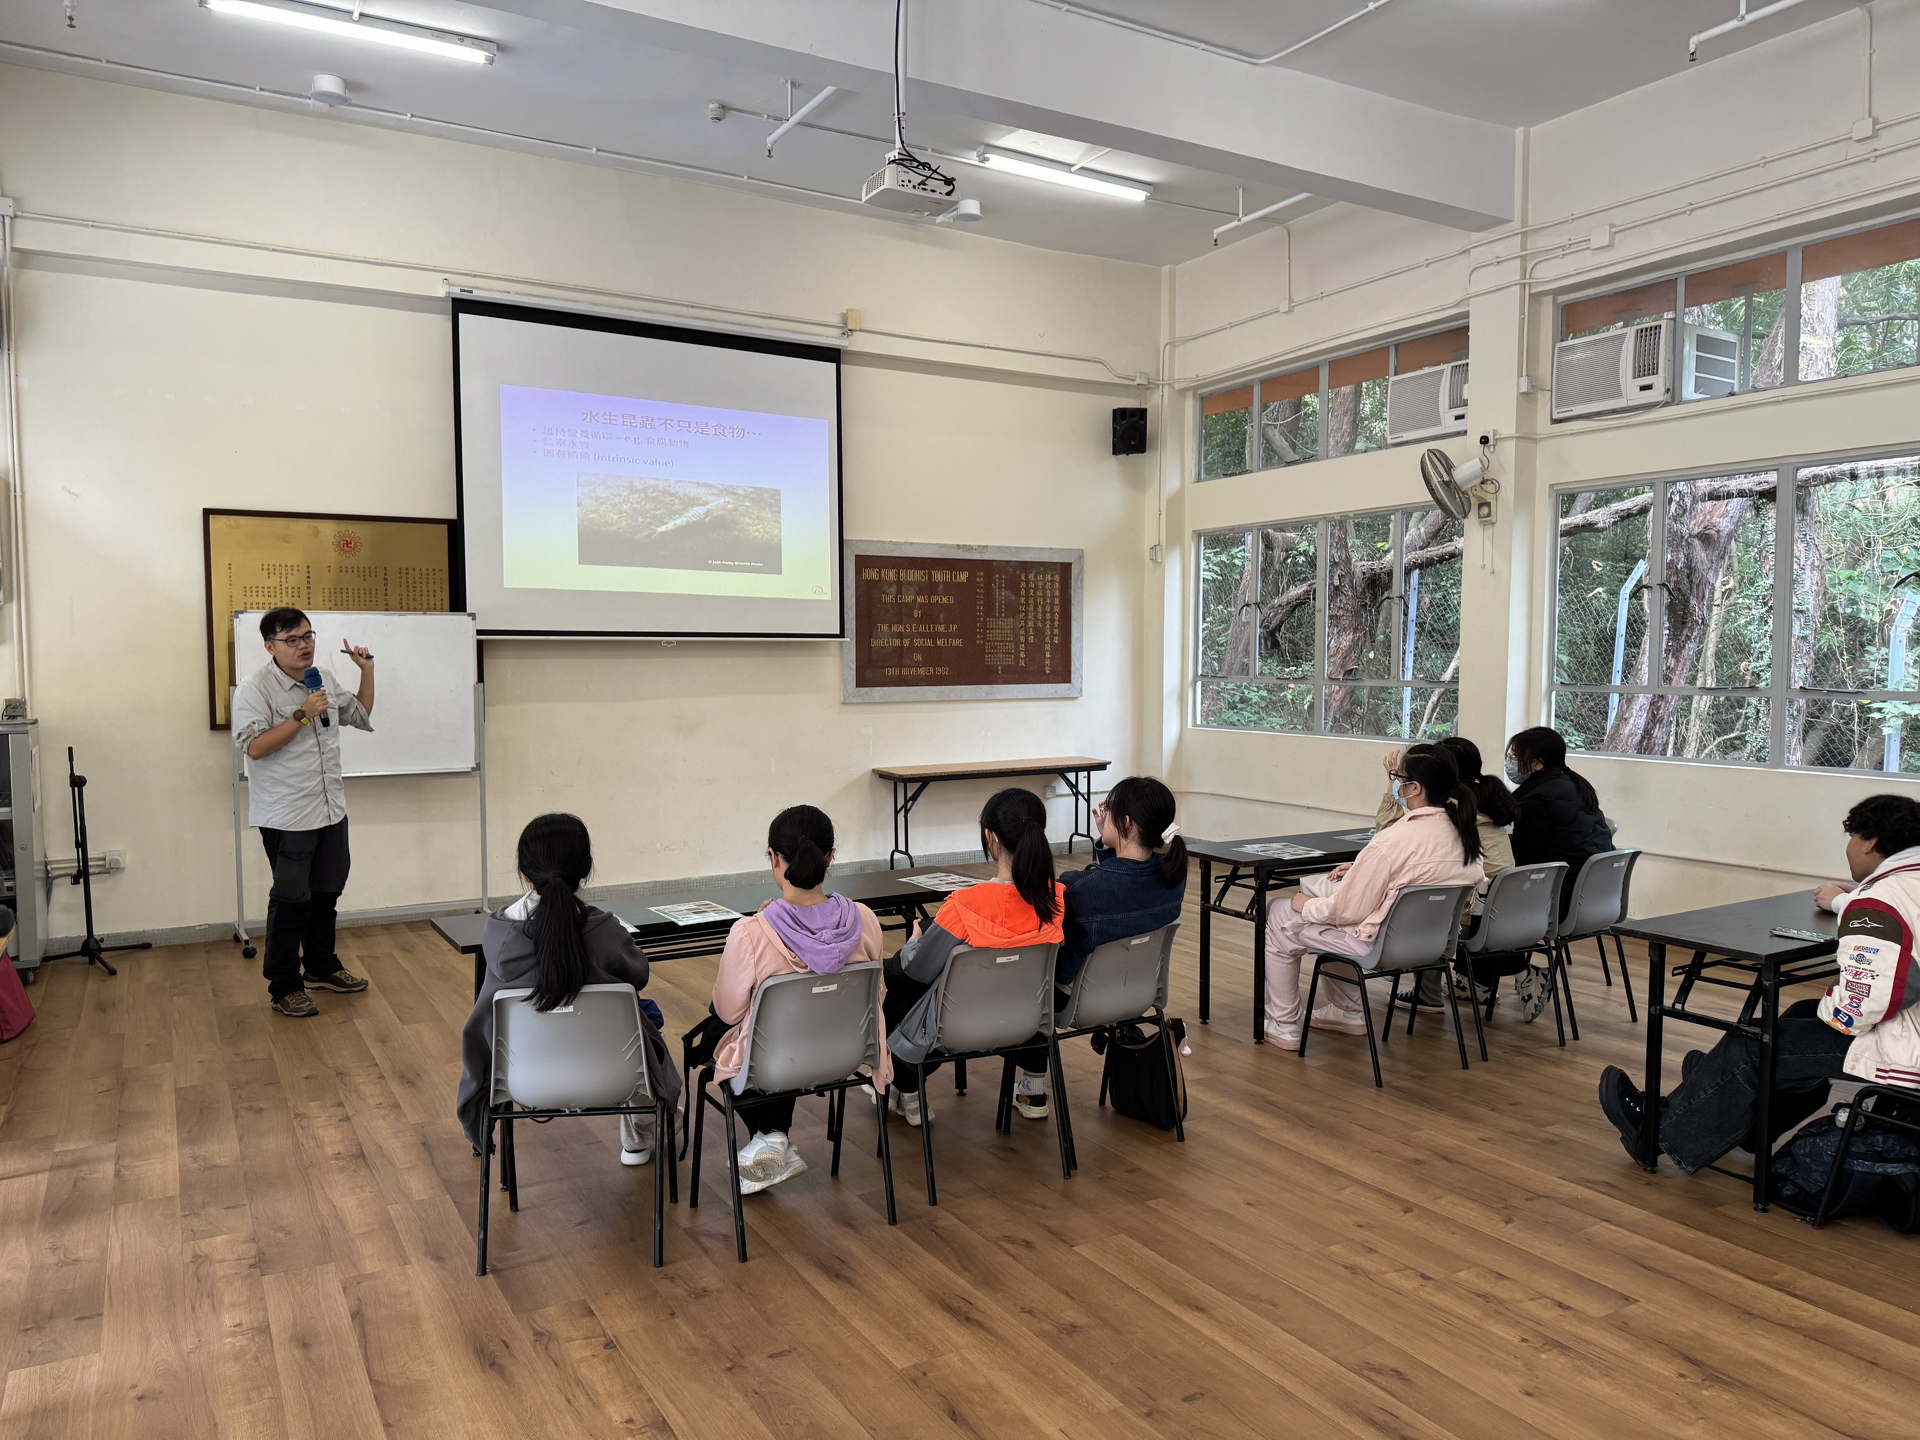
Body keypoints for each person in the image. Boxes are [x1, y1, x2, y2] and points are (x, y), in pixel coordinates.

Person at [1598, 794, 1920, 1174]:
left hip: (1906, 1052)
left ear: (1869, 842)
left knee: (1750, 1044)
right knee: (1799, 1016)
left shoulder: (1879, 899)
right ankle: (1748, 1121)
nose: (1849, 848)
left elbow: (1875, 999)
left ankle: (1657, 1135)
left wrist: (1833, 1006)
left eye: (1852, 838)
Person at [455, 813, 680, 1166]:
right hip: (613, 1075)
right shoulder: (605, 930)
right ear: (586, 870)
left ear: (525, 875)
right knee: (640, 1024)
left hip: (524, 1080)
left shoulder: (497, 936)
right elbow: (637, 974)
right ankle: (640, 1139)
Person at [709, 805, 886, 1194]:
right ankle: (772, 1140)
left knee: (719, 1032)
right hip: (845, 1054)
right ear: (831, 857)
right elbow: (879, 995)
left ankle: (770, 1138)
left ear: (773, 857)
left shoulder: (751, 933)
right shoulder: (866, 920)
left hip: (775, 1064)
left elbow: (728, 1010)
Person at [1262, 749, 1484, 1047]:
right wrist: (1361, 868)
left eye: (1397, 778)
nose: (1395, 784)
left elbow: (1345, 912)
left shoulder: (1391, 841)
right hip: (1434, 945)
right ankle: (1346, 1011)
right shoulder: (1465, 836)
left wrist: (1304, 905)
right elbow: (1422, 878)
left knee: (1280, 913)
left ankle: (1284, 1024)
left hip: (1378, 944)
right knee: (1323, 912)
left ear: (1414, 788)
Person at [1003, 775, 1188, 1120]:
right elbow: (1122, 884)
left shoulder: (1079, 888)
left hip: (1074, 1001)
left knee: (1027, 975)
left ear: (1127, 823)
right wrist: (1110, 840)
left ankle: (1033, 1084)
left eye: (1109, 810)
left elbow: (1104, 890)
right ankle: (1031, 1087)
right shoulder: (1173, 878)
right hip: (1137, 995)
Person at [884, 788, 1066, 1126]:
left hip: (957, 1026)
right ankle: (1032, 1085)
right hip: (1024, 1020)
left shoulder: (966, 904)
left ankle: (906, 1085)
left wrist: (913, 943)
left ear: (991, 838)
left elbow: (918, 970)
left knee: (898, 981)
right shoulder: (1056, 900)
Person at [231, 607, 375, 1018]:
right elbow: (255, 748)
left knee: (327, 893)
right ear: (270, 646)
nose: (304, 645)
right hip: (288, 814)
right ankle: (284, 985)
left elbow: (359, 715)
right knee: (292, 899)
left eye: (308, 636)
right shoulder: (255, 689)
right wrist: (300, 714)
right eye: (292, 639)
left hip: (330, 808)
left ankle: (322, 967)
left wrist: (366, 671)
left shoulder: (322, 679)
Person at [1366, 738, 1515, 1010]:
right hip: (1509, 912)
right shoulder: (1484, 801)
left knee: (1426, 894)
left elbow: (1388, 836)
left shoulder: (1449, 811)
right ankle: (1427, 989)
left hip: (1470, 916)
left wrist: (1393, 784)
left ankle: (1416, 983)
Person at [1504, 725, 1615, 1021]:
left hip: (1562, 899)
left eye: (1516, 756)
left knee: (1489, 905)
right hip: (1595, 898)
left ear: (1537, 764)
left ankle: (1517, 974)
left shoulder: (1535, 801)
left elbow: (1525, 862)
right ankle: (1477, 982)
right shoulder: (1576, 785)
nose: (1511, 761)